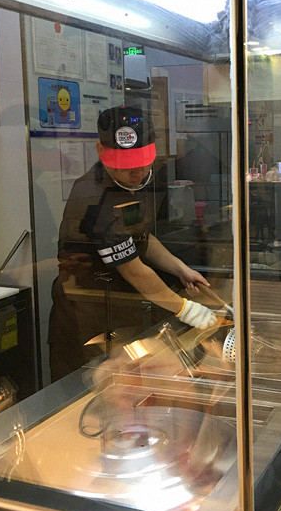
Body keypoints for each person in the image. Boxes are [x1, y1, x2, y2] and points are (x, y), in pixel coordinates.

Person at [49, 105, 217, 381]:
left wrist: (180, 268)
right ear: (100, 151)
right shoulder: (94, 197)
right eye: (125, 166)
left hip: (120, 305)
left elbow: (140, 236)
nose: (136, 173)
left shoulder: (133, 184)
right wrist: (185, 308)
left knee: (131, 383)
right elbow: (134, 270)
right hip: (87, 312)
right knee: (92, 388)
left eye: (142, 162)